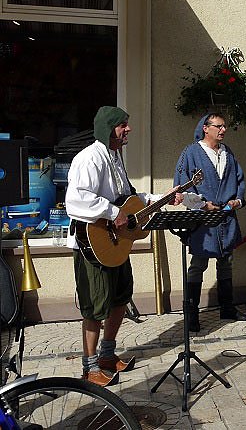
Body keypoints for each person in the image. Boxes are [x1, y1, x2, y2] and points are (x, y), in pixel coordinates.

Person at [66, 106, 182, 386]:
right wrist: (112, 212)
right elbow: (77, 199)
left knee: (120, 297)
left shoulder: (115, 157)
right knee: (95, 306)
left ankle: (107, 355)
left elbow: (128, 198)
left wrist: (161, 198)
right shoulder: (89, 158)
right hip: (93, 244)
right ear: (108, 129)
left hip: (117, 244)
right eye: (122, 125)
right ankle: (90, 367)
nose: (128, 129)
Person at [174, 113, 246, 333]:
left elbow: (239, 181)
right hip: (202, 220)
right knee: (198, 265)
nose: (223, 130)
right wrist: (202, 205)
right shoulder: (191, 153)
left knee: (226, 262)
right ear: (206, 128)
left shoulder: (227, 153)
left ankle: (227, 308)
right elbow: (181, 187)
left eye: (225, 126)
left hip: (226, 217)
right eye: (218, 126)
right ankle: (191, 315)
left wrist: (237, 200)